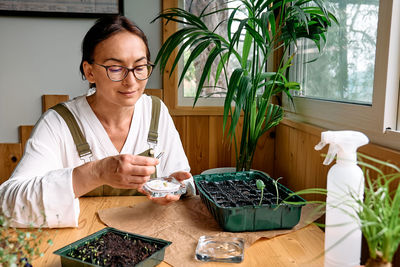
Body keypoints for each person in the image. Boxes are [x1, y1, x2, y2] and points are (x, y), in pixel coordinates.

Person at [0, 15, 195, 228]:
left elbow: (183, 181)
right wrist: (97, 172)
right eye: (115, 68)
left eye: (139, 67)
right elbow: (7, 204)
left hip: (149, 233)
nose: (131, 81)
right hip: (78, 242)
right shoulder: (58, 123)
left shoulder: (156, 112)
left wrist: (178, 186)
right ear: (89, 71)